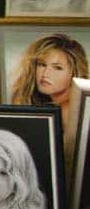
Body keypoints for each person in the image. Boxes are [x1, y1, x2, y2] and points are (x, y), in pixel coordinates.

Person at [9, 33, 88, 176]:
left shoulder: (70, 110)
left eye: (57, 68)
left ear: (75, 72)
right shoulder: (46, 108)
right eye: (42, 64)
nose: (45, 73)